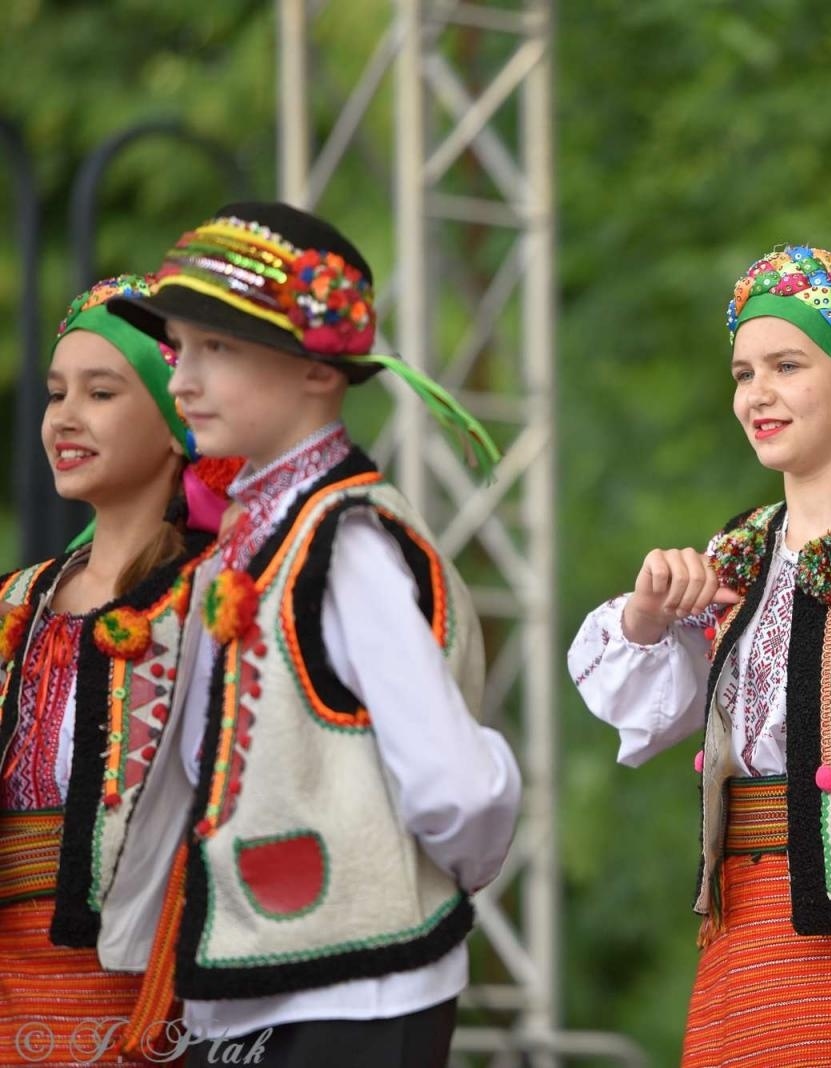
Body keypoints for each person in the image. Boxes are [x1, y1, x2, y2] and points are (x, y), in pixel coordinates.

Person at [100, 203, 521, 1068]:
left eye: (219, 349)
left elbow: (456, 787)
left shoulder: (347, 542)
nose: (182, 382)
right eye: (180, 348)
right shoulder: (254, 540)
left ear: (320, 370)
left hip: (362, 985)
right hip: (255, 977)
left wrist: (425, 877)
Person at [568, 244, 831, 1067]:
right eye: (744, 373)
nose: (757, 394)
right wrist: (646, 616)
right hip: (742, 920)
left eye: (787, 365)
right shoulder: (737, 551)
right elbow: (654, 716)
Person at [0, 275, 233, 1067]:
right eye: (56, 393)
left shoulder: (216, 602)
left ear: (178, 421)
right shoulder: (15, 603)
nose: (65, 416)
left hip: (146, 1008)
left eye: (100, 393)